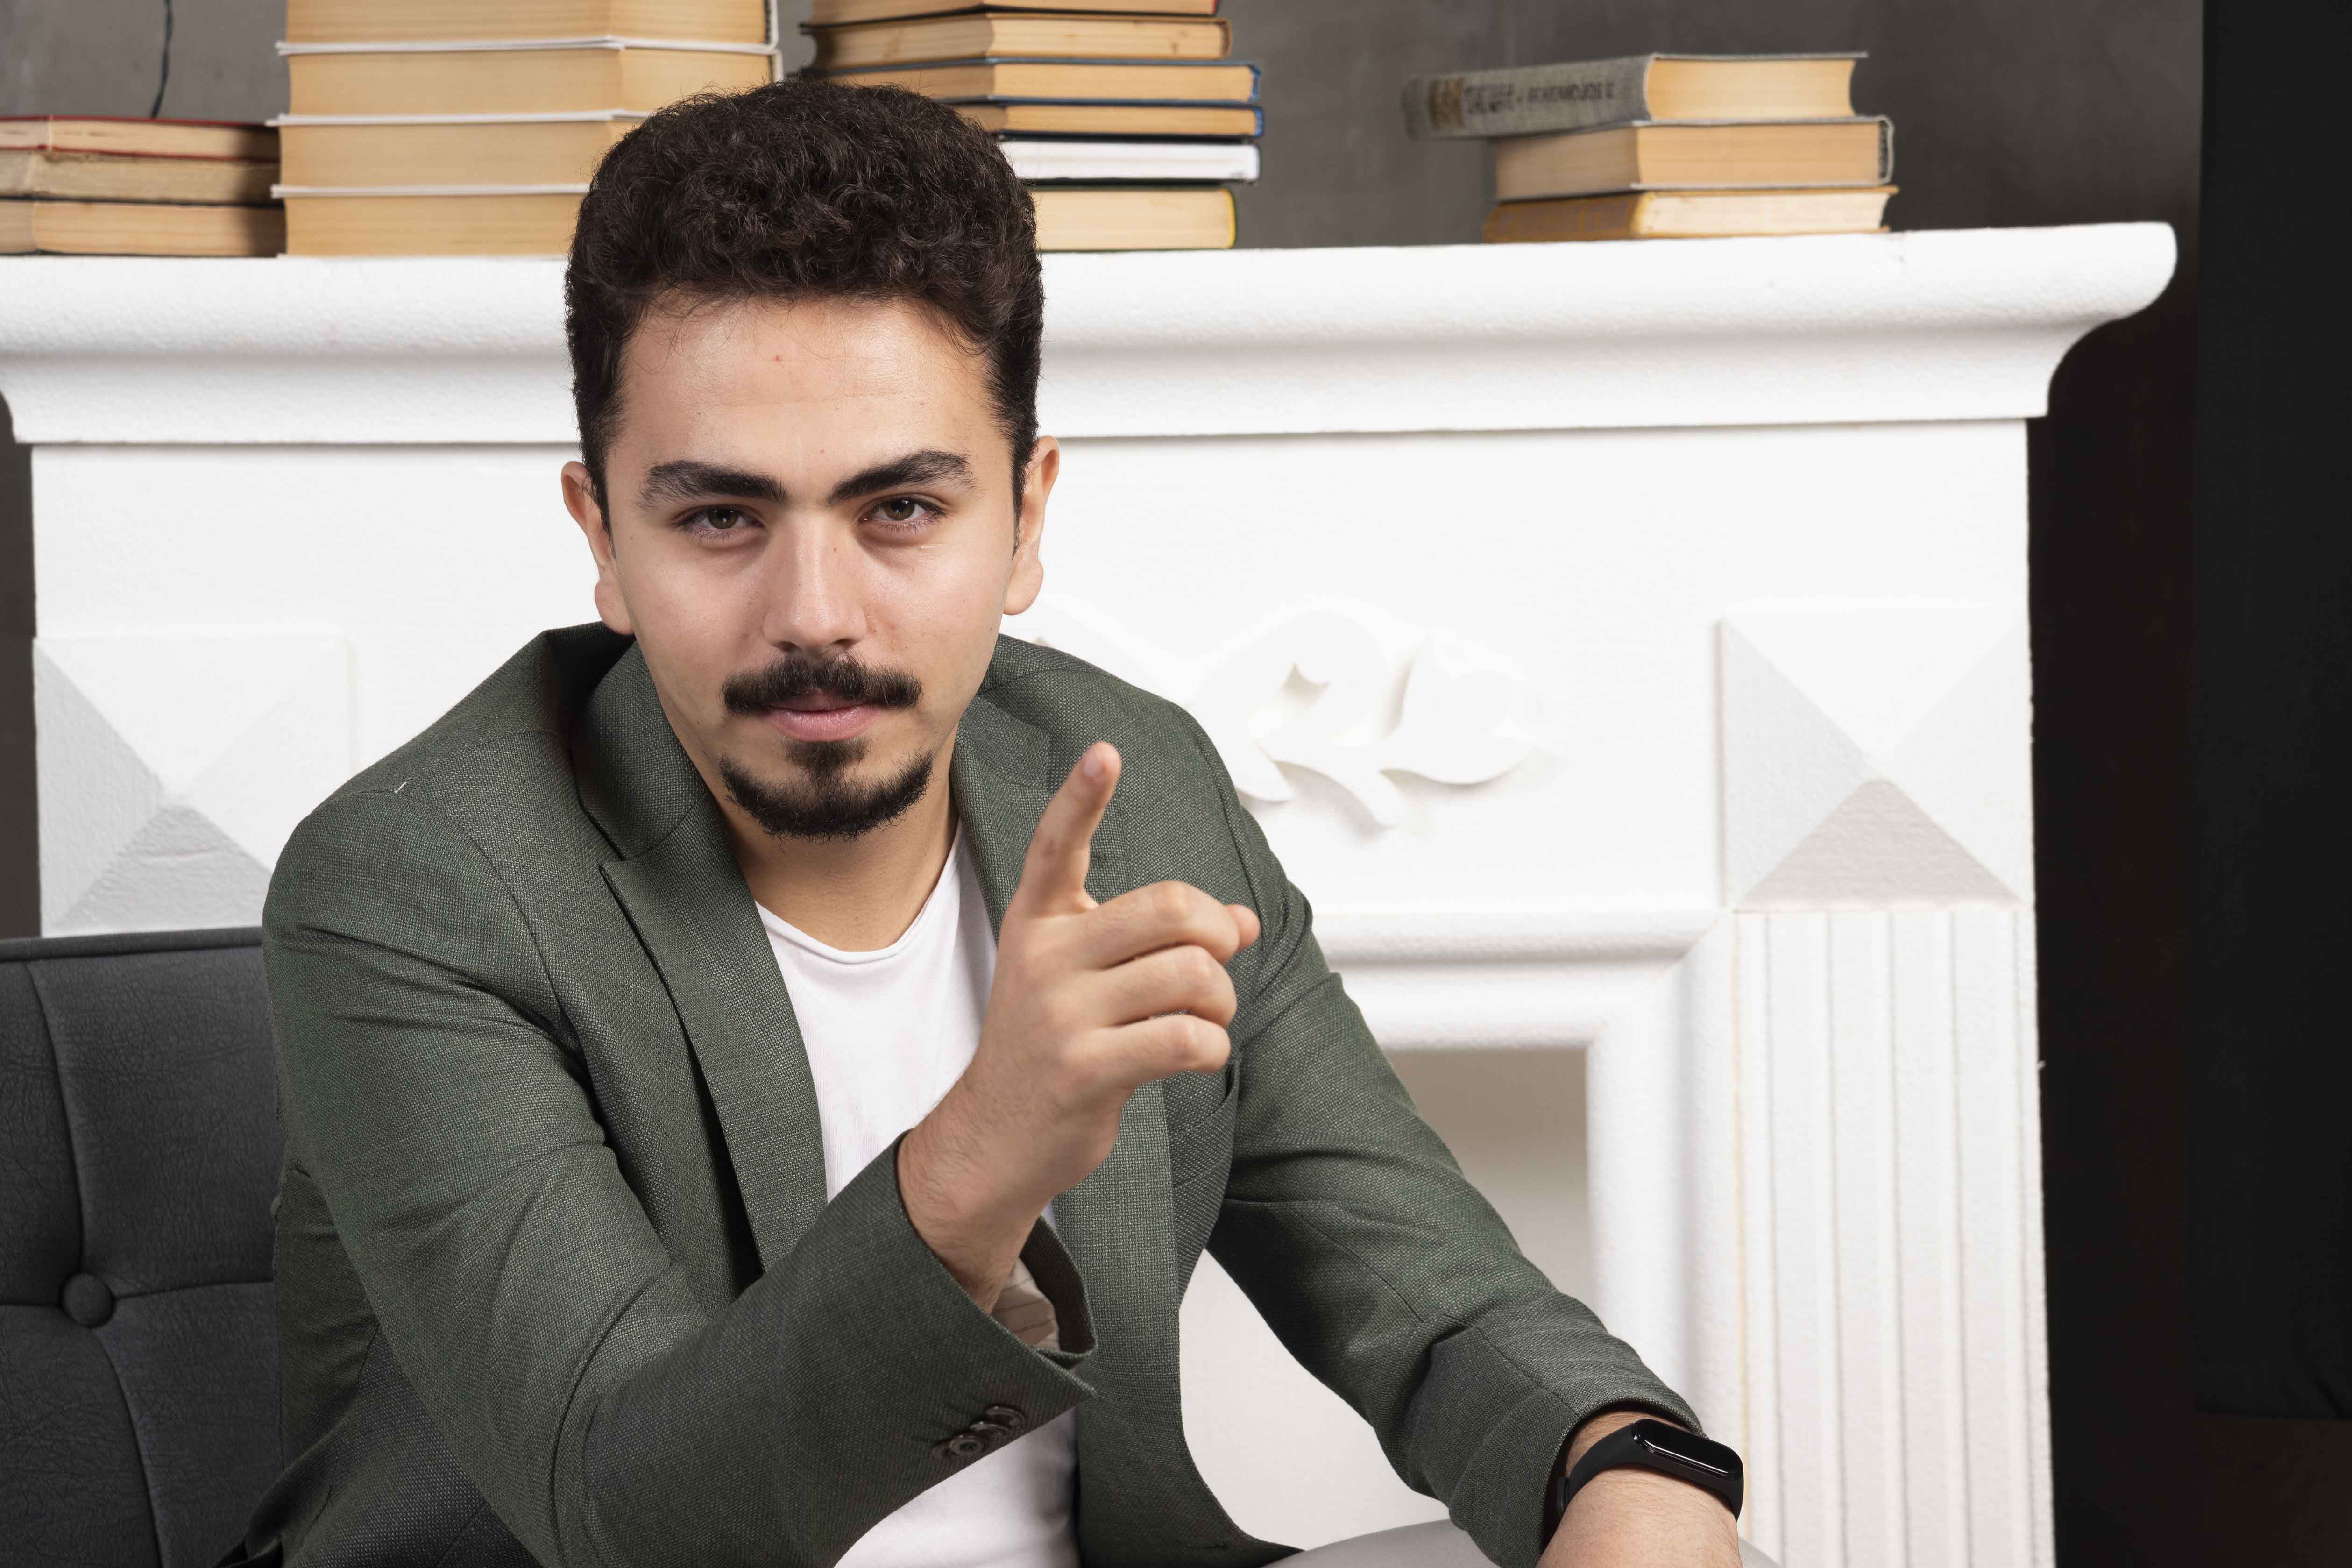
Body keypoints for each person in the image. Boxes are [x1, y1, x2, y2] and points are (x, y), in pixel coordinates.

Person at [220, 78, 1762, 1568]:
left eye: (899, 509)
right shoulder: (421, 886)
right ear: (603, 540)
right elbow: (631, 1524)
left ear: (1025, 520)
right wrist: (979, 1155)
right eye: (719, 518)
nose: (814, 615)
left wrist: (1635, 1470)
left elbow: (1436, 1298)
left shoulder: (1132, 786)